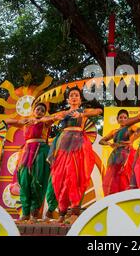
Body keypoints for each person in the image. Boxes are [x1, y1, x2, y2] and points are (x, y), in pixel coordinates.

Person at [45, 87, 103, 224]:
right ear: (68, 100)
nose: (74, 97)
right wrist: (52, 118)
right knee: (60, 177)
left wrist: (82, 115)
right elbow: (48, 118)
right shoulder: (64, 112)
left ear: (80, 100)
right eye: (71, 95)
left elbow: (99, 111)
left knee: (76, 176)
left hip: (78, 145)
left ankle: (75, 211)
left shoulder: (83, 111)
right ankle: (62, 212)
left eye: (76, 95)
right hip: (63, 145)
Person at [5, 102, 61, 221]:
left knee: (38, 181)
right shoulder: (26, 122)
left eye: (42, 110)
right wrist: (22, 121)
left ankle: (34, 212)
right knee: (24, 180)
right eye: (37, 109)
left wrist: (39, 121)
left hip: (41, 151)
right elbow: (8, 121)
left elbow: (55, 117)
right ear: (33, 110)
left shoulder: (46, 121)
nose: (39, 112)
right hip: (26, 152)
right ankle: (25, 212)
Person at [100, 109, 140, 196]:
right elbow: (102, 141)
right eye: (121, 117)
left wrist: (131, 140)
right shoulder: (114, 131)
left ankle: (128, 198)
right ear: (117, 119)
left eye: (125, 117)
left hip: (128, 154)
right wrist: (109, 143)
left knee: (127, 177)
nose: (123, 119)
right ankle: (114, 199)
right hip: (116, 156)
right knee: (113, 178)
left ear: (128, 119)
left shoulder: (130, 127)